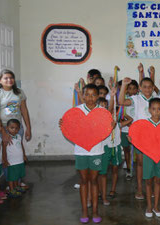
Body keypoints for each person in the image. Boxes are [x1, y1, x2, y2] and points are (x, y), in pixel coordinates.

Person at [60, 84, 112, 224]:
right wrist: (64, 126)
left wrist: (110, 127)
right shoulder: (76, 111)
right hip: (81, 152)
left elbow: (105, 129)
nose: (90, 98)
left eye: (93, 94)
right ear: (82, 96)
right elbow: (71, 128)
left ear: (98, 96)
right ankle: (84, 210)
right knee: (83, 180)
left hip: (96, 151)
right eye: (87, 94)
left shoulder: (102, 111)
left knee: (94, 181)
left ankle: (95, 211)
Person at [119, 77, 160, 200]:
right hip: (140, 137)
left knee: (155, 161)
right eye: (144, 87)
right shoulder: (136, 99)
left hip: (156, 137)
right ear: (140, 88)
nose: (147, 89)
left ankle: (153, 188)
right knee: (140, 163)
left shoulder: (157, 99)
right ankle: (139, 188)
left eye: (150, 87)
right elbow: (121, 101)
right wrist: (123, 85)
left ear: (153, 87)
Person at [129, 98, 160, 218]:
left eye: (159, 109)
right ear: (149, 110)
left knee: (158, 181)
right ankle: (149, 206)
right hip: (148, 156)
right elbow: (139, 138)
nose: (156, 111)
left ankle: (156, 206)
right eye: (153, 109)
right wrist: (132, 139)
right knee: (148, 181)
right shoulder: (144, 124)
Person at [0, 69, 32, 144]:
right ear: (0, 81)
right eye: (6, 78)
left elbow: (24, 111)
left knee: (17, 150)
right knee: (4, 153)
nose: (9, 80)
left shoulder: (19, 92)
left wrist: (28, 128)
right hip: (2, 127)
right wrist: (3, 132)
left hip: (17, 127)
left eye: (11, 77)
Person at [2, 119, 27, 198]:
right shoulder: (6, 138)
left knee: (17, 175)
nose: (14, 130)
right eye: (12, 128)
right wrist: (5, 160)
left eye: (16, 128)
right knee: (11, 177)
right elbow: (4, 150)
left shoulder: (19, 136)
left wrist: (24, 155)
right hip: (11, 161)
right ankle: (11, 190)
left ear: (19, 129)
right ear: (7, 128)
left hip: (19, 160)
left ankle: (16, 187)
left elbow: (21, 145)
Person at [120, 80, 138, 179]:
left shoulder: (138, 100)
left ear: (137, 89)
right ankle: (128, 169)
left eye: (134, 88)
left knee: (139, 150)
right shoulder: (124, 100)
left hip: (136, 130)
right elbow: (121, 114)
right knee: (126, 150)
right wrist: (129, 122)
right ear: (126, 90)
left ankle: (140, 169)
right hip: (125, 129)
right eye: (130, 88)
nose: (132, 91)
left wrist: (134, 125)